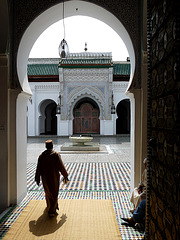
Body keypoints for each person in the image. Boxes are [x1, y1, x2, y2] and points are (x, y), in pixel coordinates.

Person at [35, 140, 69, 217]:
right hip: (54, 177)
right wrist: (65, 175)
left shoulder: (42, 156)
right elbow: (61, 166)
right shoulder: (55, 155)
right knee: (54, 192)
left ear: (46, 146)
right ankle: (51, 211)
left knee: (48, 192)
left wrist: (37, 178)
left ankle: (51, 206)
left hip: (45, 178)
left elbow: (38, 168)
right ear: (52, 146)